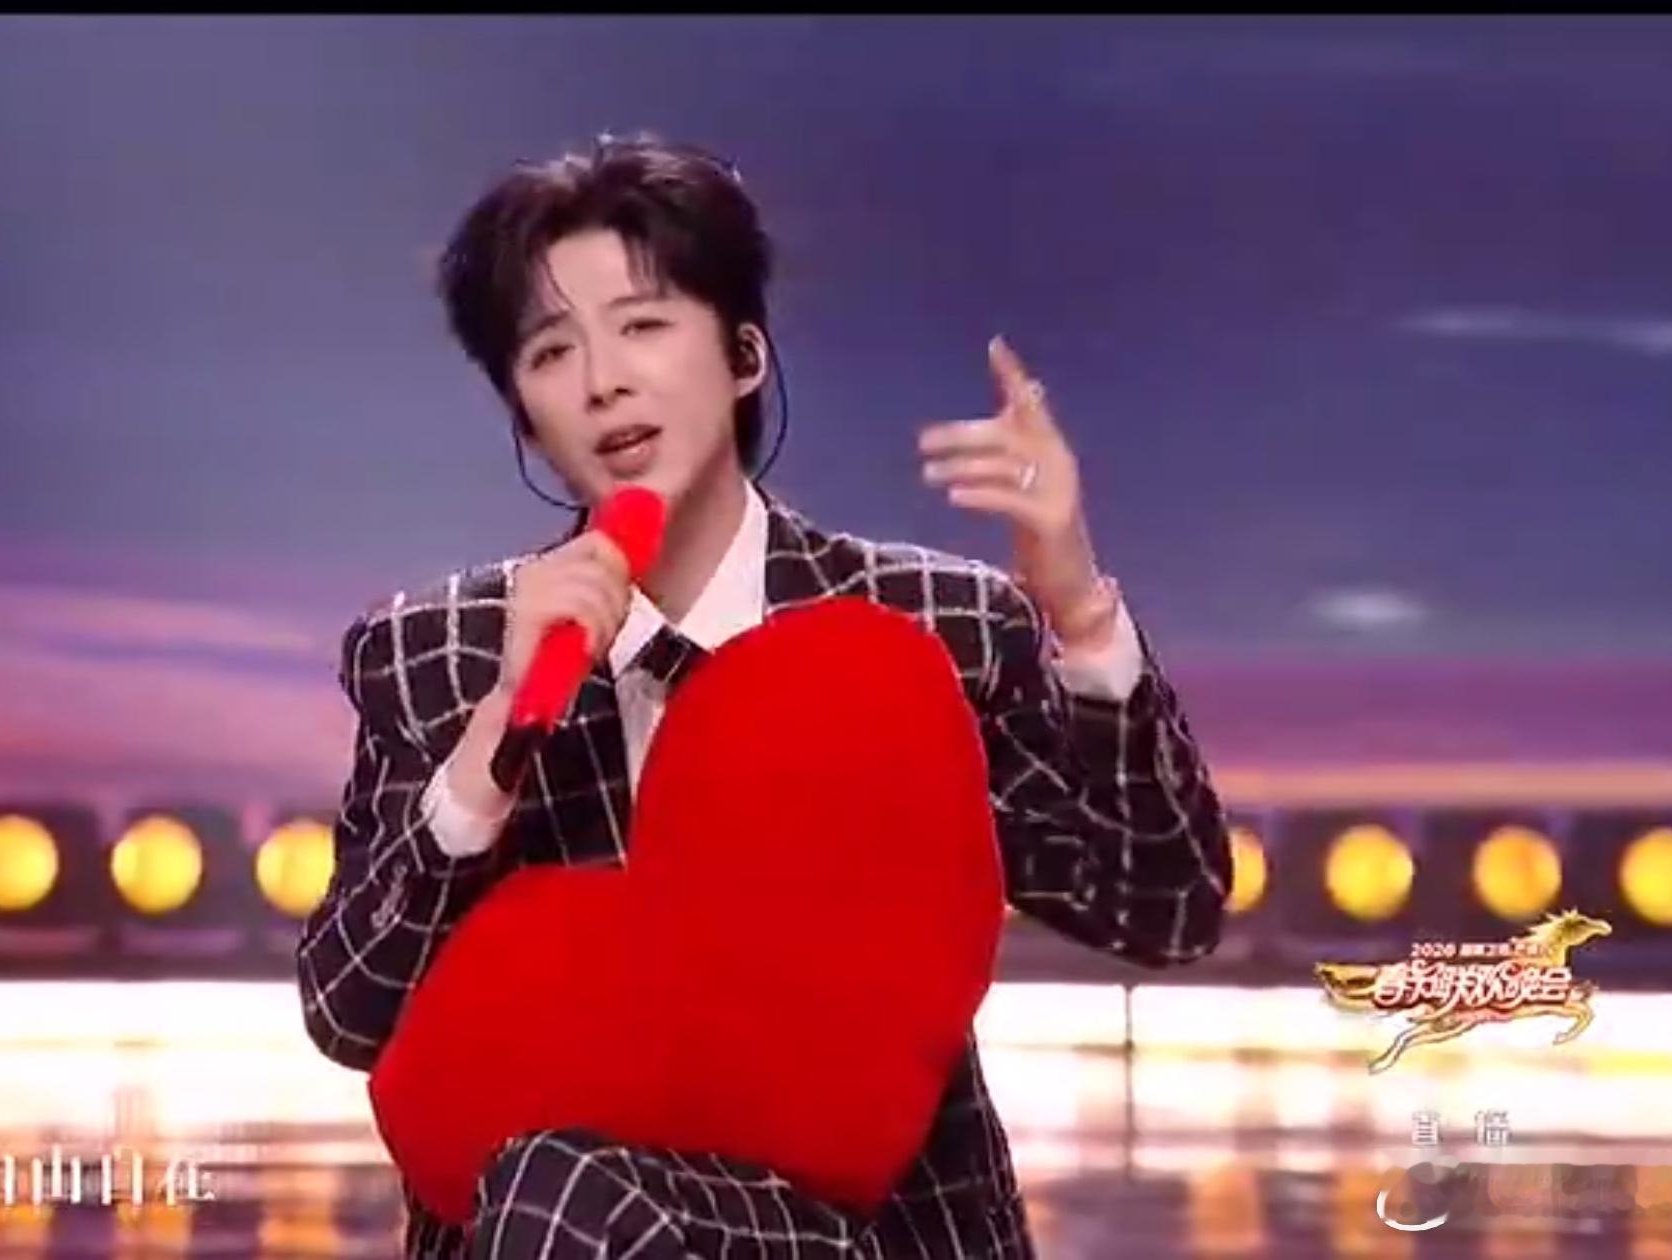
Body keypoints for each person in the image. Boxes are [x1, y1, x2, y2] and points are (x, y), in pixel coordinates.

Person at [295, 133, 1233, 1259]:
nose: (602, 380)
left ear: (743, 355)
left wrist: (1075, 605)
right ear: (524, 416)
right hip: (545, 1236)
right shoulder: (439, 655)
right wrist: (493, 743)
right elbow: (348, 1013)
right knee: (560, 1184)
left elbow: (1161, 910)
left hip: (871, 1235)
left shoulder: (920, 635)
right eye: (550, 351)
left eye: (643, 325)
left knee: (564, 1179)